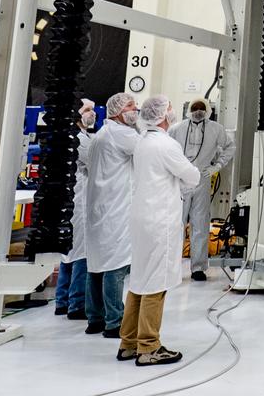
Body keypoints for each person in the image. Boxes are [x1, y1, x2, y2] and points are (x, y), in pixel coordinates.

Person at [119, 95, 200, 366]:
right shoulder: (166, 145)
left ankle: (128, 342)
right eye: (171, 108)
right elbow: (192, 176)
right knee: (156, 284)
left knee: (139, 281)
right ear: (164, 115)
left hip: (142, 218)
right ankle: (149, 347)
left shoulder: (142, 141)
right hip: (159, 222)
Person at [84, 92, 140, 338]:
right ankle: (114, 322)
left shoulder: (102, 133)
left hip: (98, 208)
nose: (134, 110)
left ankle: (94, 318)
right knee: (115, 267)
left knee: (96, 266)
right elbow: (148, 151)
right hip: (115, 208)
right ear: (117, 110)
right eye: (130, 106)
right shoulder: (122, 134)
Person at [169, 98, 236, 280]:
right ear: (188, 110)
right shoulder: (176, 129)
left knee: (200, 224)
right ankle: (172, 266)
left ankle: (198, 267)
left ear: (207, 110)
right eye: (194, 108)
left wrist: (217, 166)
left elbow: (230, 146)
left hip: (202, 179)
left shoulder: (216, 129)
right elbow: (167, 151)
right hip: (180, 181)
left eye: (201, 108)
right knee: (177, 223)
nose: (198, 111)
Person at [55, 99, 96, 319]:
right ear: (77, 115)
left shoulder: (78, 136)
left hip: (72, 198)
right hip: (79, 200)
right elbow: (95, 163)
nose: (92, 114)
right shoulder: (80, 139)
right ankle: (76, 304)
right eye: (88, 110)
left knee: (69, 252)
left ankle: (62, 300)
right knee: (81, 251)